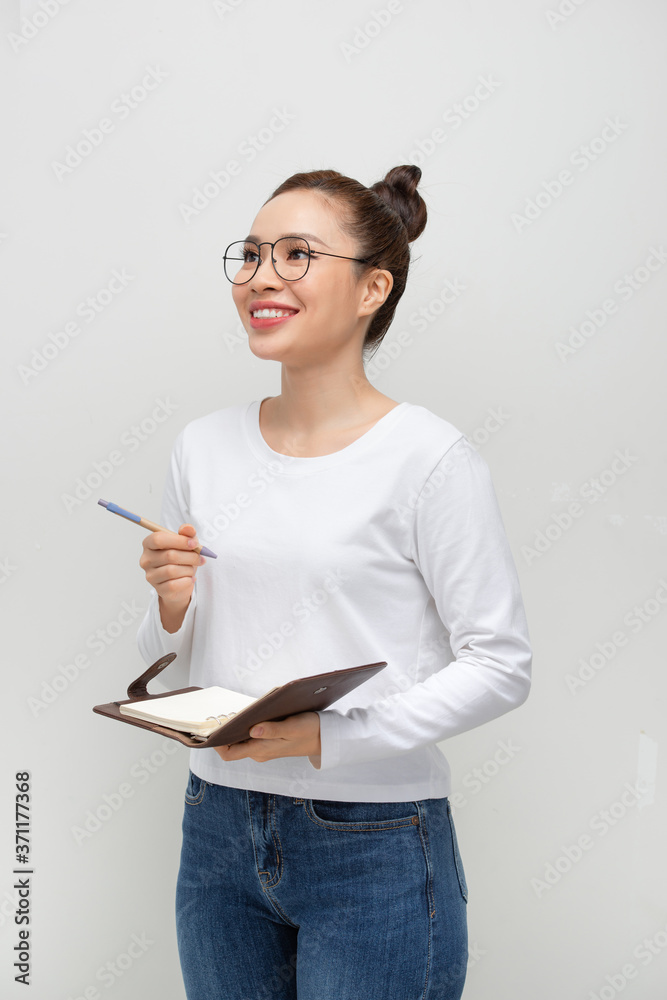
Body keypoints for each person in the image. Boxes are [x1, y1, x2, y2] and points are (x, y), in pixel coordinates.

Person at [136, 164, 532, 1000]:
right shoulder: (200, 448)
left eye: (295, 254)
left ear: (371, 289)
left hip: (375, 839)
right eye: (249, 254)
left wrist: (330, 738)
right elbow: (172, 663)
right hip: (216, 827)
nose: (260, 277)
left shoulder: (430, 459)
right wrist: (170, 607)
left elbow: (500, 664)